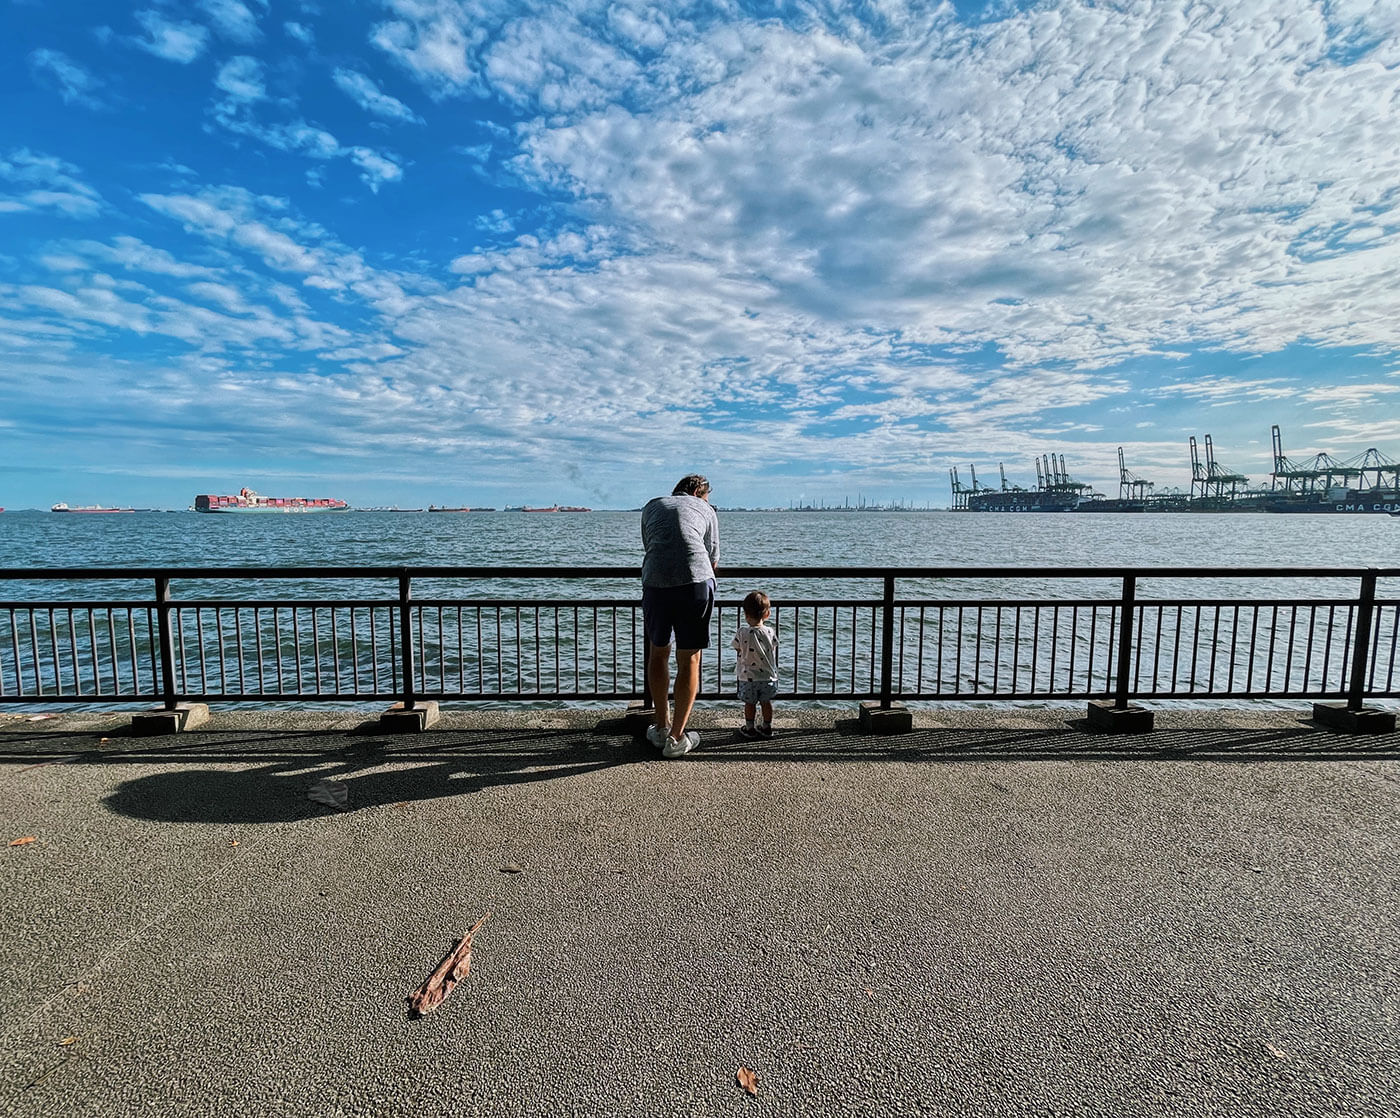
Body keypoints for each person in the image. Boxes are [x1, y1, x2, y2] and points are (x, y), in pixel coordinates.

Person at [641, 474, 719, 758]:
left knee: (658, 653)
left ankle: (661, 727)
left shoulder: (652, 505)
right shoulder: (706, 510)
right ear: (699, 492)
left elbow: (650, 546)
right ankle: (677, 738)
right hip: (695, 582)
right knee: (690, 658)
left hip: (655, 582)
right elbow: (712, 558)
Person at [731, 590, 778, 739]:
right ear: (767, 614)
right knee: (766, 702)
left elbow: (736, 647)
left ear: (745, 614)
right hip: (768, 676)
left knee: (749, 704)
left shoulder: (742, 632)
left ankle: (750, 728)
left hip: (748, 677)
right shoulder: (770, 631)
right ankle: (767, 727)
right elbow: (774, 646)